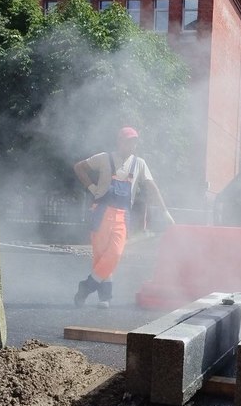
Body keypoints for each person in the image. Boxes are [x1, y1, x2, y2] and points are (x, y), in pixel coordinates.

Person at [73, 126, 174, 308]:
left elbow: (152, 187)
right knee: (101, 256)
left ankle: (86, 287)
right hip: (101, 212)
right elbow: (79, 167)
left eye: (134, 142)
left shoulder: (139, 164)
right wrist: (91, 187)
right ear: (119, 141)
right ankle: (106, 297)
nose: (131, 145)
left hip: (122, 215)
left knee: (115, 254)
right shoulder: (104, 158)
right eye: (128, 141)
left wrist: (164, 210)